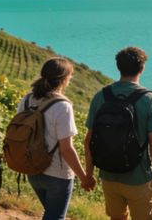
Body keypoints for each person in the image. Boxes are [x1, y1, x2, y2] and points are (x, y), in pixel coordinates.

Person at [85, 47, 152, 220]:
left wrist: (89, 174)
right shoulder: (151, 100)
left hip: (108, 177)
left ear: (118, 67)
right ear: (142, 68)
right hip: (139, 179)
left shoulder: (101, 96)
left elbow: (89, 141)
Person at [20, 58, 95, 220]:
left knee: (51, 214)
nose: (71, 79)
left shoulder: (27, 100)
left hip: (33, 170)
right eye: (70, 76)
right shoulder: (62, 106)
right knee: (55, 217)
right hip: (57, 175)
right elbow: (66, 149)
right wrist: (83, 177)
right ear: (63, 79)